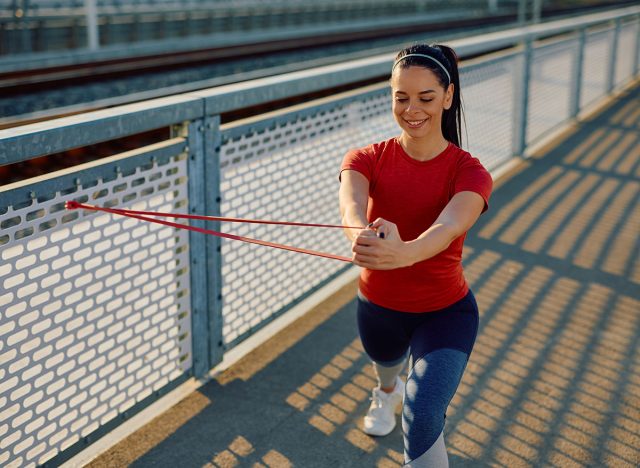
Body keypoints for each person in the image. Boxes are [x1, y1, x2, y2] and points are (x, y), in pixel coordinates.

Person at [338, 43, 493, 467]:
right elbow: (351, 208)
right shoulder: (366, 158)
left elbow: (446, 229)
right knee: (387, 370)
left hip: (445, 312)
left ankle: (396, 397)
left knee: (422, 415)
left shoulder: (470, 172)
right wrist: (364, 239)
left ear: (448, 97)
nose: (412, 109)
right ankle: (385, 393)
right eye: (401, 97)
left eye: (425, 98)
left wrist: (404, 253)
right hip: (378, 307)